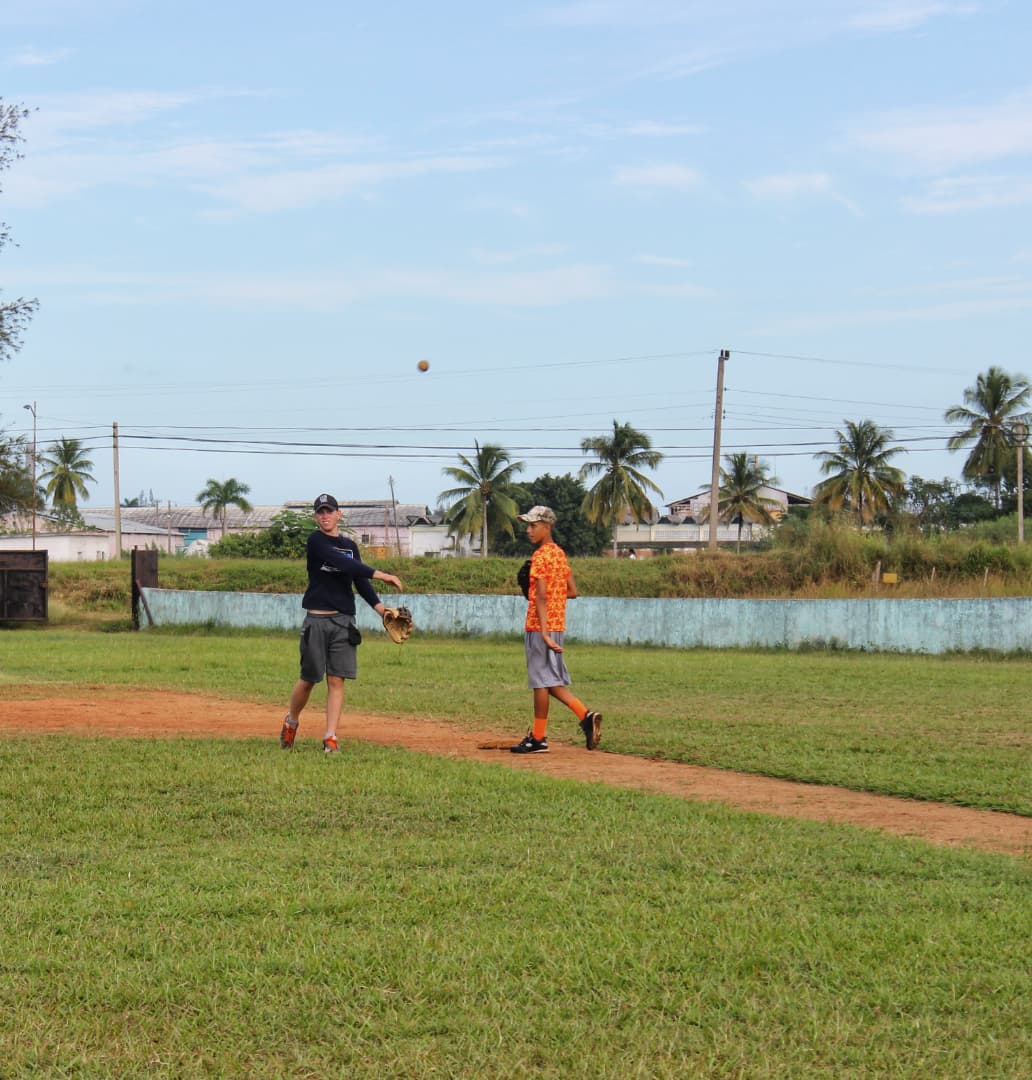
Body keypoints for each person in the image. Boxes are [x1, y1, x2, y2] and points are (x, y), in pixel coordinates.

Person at [279, 493, 404, 753]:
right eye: (320, 512)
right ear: (316, 517)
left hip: (344, 621)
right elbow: (339, 562)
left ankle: (330, 736)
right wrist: (382, 574)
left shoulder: (350, 545)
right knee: (309, 678)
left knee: (337, 680)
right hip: (317, 620)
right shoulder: (315, 541)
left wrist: (381, 610)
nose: (325, 515)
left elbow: (359, 581)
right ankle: (291, 721)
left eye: (329, 511)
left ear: (339, 514)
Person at [511, 505, 602, 754]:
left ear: (547, 527)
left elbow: (539, 598)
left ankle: (538, 738)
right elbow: (572, 591)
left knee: (540, 683)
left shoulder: (541, 557)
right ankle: (586, 715)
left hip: (539, 626)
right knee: (549, 680)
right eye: (528, 525)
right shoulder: (559, 555)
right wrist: (551, 599)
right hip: (556, 624)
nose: (529, 530)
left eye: (533, 525)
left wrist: (542, 632)